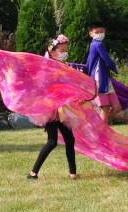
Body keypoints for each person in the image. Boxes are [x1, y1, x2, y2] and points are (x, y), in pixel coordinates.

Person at [28, 35, 78, 180]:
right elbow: (46, 86)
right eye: (62, 50)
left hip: (61, 107)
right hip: (52, 109)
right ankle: (33, 172)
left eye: (65, 50)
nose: (64, 52)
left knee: (69, 139)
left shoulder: (59, 65)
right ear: (52, 50)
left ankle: (73, 173)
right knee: (52, 141)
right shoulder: (47, 67)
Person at [85, 24, 120, 124]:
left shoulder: (93, 44)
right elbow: (107, 59)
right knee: (106, 108)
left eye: (102, 32)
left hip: (104, 79)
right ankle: (101, 131)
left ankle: (99, 126)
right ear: (90, 33)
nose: (100, 34)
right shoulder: (98, 44)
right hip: (99, 79)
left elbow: (89, 62)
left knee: (116, 107)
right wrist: (115, 68)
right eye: (97, 32)